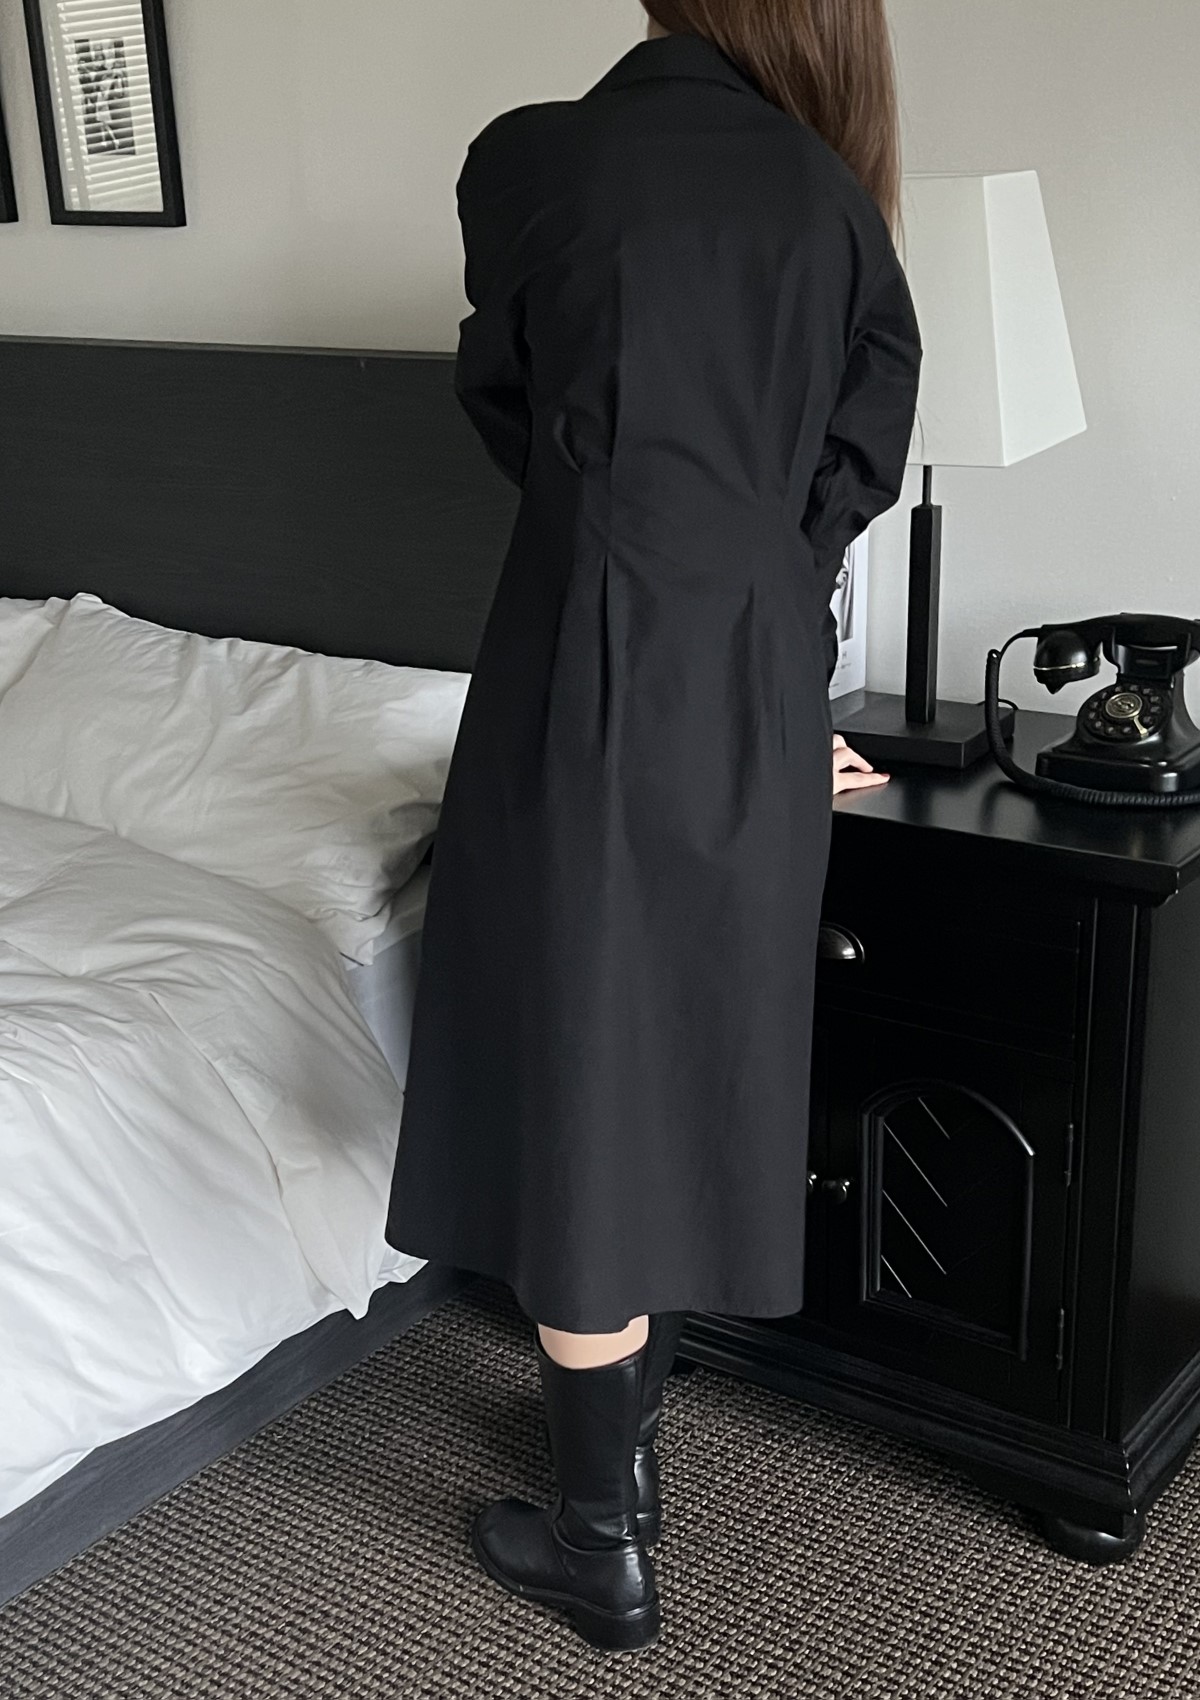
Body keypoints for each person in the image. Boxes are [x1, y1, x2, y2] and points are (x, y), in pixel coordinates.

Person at [385, 0, 922, 1652]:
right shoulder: (832, 197)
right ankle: (619, 1461)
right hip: (755, 679)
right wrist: (762, 637)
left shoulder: (532, 160)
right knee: (692, 1049)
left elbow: (504, 399)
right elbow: (858, 462)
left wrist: (620, 520)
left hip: (582, 652)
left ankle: (602, 1539)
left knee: (582, 1075)